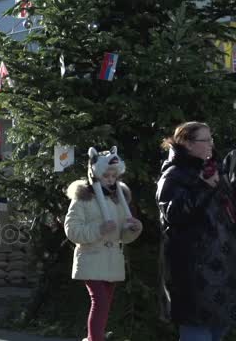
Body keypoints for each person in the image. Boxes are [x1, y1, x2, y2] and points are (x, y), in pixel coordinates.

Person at [156, 121, 236, 340]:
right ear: (187, 144)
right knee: (197, 332)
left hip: (222, 270)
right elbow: (173, 215)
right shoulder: (173, 174)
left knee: (217, 330)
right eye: (205, 140)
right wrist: (203, 187)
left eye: (212, 138)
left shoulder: (212, 171)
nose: (211, 144)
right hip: (193, 272)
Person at [64, 146, 143, 341]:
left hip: (112, 259)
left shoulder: (119, 199)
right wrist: (98, 230)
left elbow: (123, 237)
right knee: (99, 301)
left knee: (105, 303)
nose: (110, 179)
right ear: (96, 174)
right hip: (90, 257)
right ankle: (95, 338)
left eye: (113, 175)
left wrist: (134, 228)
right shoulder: (82, 198)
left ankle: (94, 337)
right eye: (106, 175)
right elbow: (72, 230)